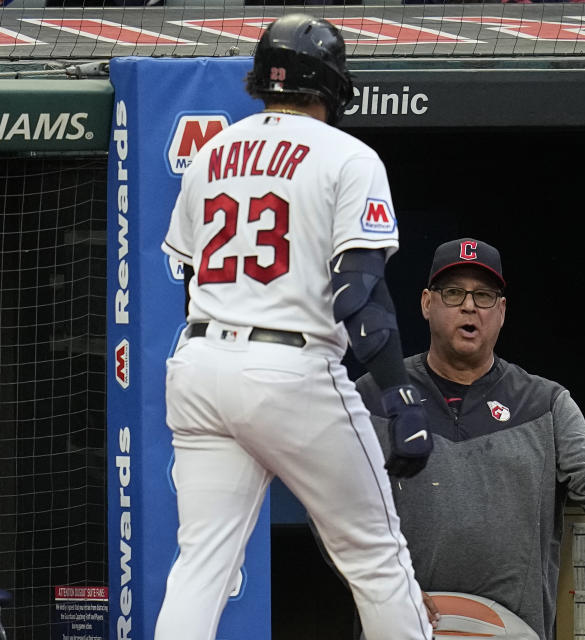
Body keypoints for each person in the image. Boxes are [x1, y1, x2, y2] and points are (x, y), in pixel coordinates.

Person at [155, 14, 433, 640]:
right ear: (332, 85)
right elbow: (360, 295)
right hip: (291, 367)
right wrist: (401, 396)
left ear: (263, 81)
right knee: (375, 558)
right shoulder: (349, 155)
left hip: (199, 364)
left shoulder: (211, 152)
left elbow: (186, 283)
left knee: (201, 565)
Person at [353, 237, 585, 640]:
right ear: (426, 303)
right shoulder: (375, 396)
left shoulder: (544, 403)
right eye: (453, 293)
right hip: (403, 624)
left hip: (513, 628)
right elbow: (336, 506)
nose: (469, 306)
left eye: (484, 296)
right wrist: (387, 587)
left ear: (501, 312)